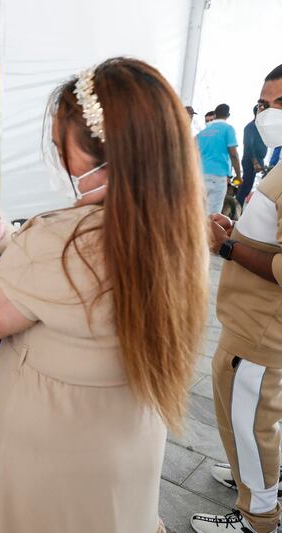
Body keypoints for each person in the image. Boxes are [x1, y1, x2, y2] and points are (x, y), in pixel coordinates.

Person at [0, 58, 209, 532]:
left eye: (60, 149)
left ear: (103, 153)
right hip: (129, 446)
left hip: (52, 460)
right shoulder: (182, 231)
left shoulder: (59, 241)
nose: (61, 163)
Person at [191, 64, 282, 533]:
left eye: (280, 103)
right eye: (265, 104)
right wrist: (237, 229)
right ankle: (252, 475)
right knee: (245, 417)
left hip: (261, 329)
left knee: (251, 421)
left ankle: (258, 515)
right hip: (252, 320)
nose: (268, 114)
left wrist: (224, 246)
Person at [197, 103, 241, 214]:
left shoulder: (202, 133)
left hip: (199, 176)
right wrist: (238, 175)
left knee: (197, 212)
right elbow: (233, 154)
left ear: (215, 115)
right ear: (228, 115)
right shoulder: (228, 129)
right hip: (218, 177)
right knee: (213, 216)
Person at [237, 105, 268, 206]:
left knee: (248, 187)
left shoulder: (260, 127)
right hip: (250, 161)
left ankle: (238, 208)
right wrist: (255, 163)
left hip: (258, 160)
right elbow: (248, 146)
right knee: (245, 188)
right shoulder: (250, 127)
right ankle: (236, 210)